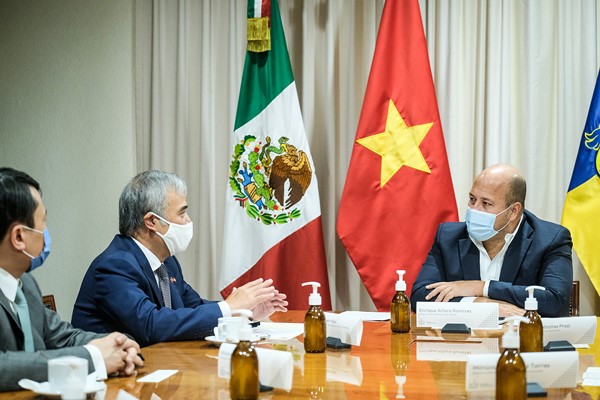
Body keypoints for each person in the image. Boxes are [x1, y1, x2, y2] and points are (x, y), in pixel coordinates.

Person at [72, 170, 288, 347]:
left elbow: (193, 308)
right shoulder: (114, 266)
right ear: (152, 222)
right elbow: (150, 326)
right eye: (182, 213)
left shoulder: (167, 262)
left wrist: (244, 312)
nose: (188, 220)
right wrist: (229, 307)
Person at [0, 167, 143, 392]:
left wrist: (119, 344)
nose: (46, 231)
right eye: (43, 222)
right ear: (19, 236)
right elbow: (4, 366)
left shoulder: (26, 285)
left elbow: (63, 337)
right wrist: (93, 357)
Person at [411, 164, 573, 317]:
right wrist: (479, 304)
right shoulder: (448, 236)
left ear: (513, 211)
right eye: (472, 199)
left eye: (486, 203)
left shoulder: (550, 239)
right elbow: (420, 297)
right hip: (464, 342)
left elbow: (554, 301)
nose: (474, 209)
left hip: (523, 342)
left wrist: (480, 287)